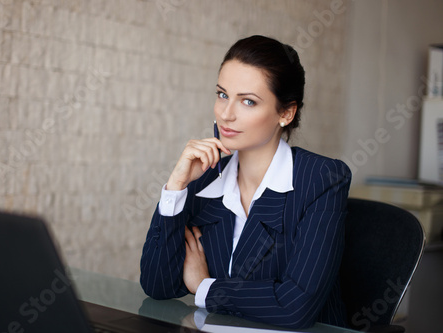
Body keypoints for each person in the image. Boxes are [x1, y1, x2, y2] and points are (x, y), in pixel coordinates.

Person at [140, 35, 352, 329]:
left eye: (248, 101)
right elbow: (157, 285)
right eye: (222, 95)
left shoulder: (322, 179)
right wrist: (176, 187)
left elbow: (295, 307)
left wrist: (205, 287)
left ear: (286, 113)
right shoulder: (205, 178)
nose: (226, 114)